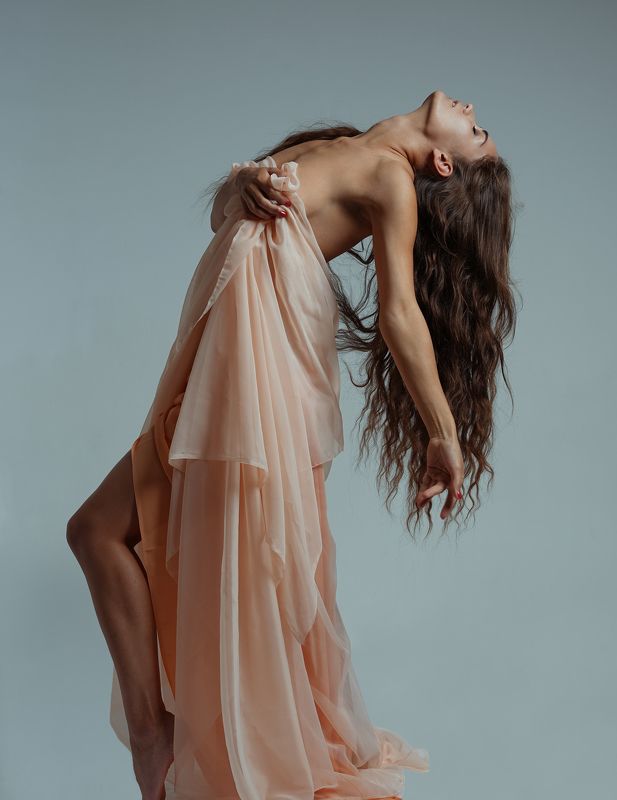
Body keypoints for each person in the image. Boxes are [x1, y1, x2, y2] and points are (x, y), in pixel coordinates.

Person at [66, 89, 518, 800]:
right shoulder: (341, 146)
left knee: (168, 558)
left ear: (441, 162)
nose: (470, 109)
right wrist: (242, 184)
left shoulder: (390, 180)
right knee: (99, 533)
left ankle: (165, 743)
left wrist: (443, 431)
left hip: (255, 391)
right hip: (217, 379)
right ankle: (160, 738)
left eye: (477, 130)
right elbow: (224, 217)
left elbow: (400, 312)